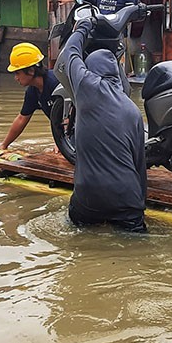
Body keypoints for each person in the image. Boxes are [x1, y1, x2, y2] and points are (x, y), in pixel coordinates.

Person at [55, 17, 147, 232]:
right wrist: (138, 206)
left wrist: (83, 29)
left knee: (77, 234)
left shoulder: (89, 86)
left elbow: (70, 54)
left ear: (91, 70)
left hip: (90, 196)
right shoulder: (133, 110)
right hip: (128, 197)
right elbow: (139, 165)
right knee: (137, 244)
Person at [0, 43, 59, 150]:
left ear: (31, 71)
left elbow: (74, 115)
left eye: (17, 73)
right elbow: (22, 119)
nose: (16, 78)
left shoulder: (55, 83)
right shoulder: (33, 92)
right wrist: (4, 145)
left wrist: (61, 142)